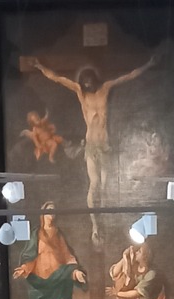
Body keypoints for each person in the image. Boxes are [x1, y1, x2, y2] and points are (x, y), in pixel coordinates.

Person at [18, 50, 156, 235]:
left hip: (105, 145)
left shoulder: (105, 88)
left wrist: (148, 65)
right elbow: (57, 78)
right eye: (85, 82)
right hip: (91, 146)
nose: (88, 84)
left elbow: (127, 76)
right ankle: (95, 226)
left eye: (90, 81)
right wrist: (39, 66)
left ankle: (104, 219)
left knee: (105, 185)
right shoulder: (80, 93)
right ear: (82, 82)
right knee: (95, 184)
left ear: (94, 79)